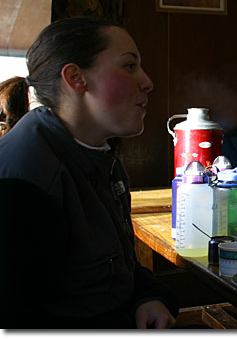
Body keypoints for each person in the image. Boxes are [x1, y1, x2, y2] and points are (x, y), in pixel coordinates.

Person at [0, 17, 179, 328]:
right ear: (75, 77)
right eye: (129, 66)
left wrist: (146, 298)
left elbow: (117, 266)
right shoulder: (22, 179)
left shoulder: (97, 154)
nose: (147, 81)